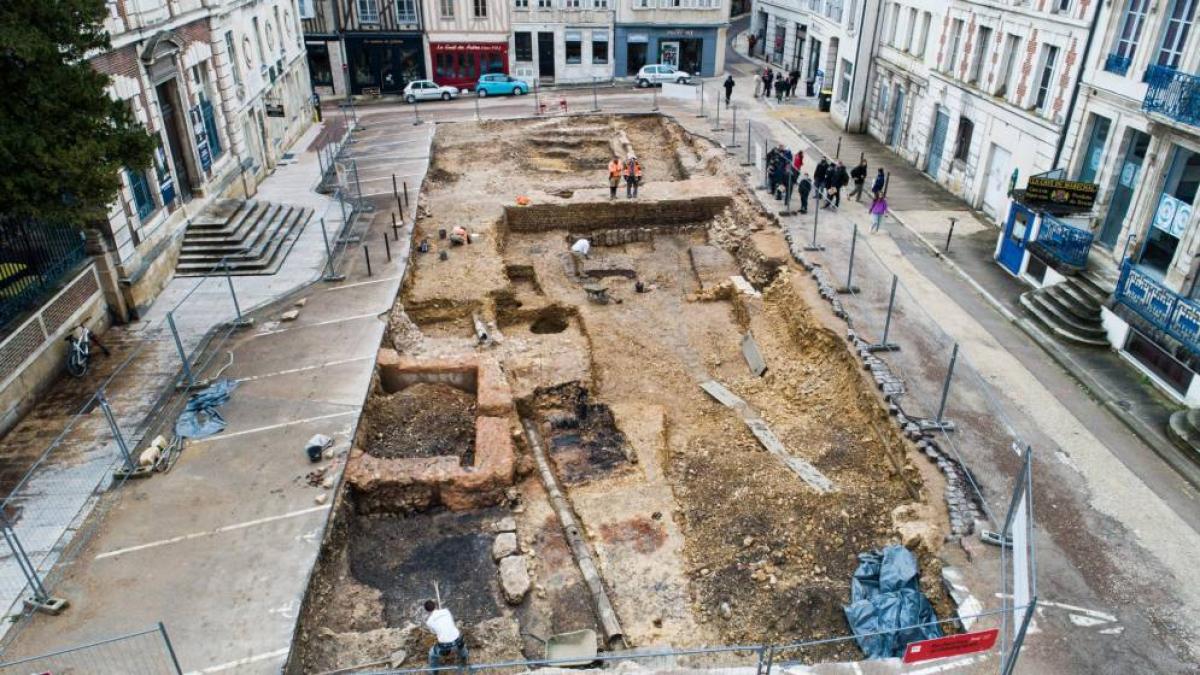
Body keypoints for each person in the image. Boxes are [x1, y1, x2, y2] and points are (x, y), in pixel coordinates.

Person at [425, 600, 468, 669]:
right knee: (463, 650)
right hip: (458, 641)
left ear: (427, 611)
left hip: (445, 646)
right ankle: (464, 662)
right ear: (435, 606)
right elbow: (451, 622)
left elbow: (434, 632)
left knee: (432, 654)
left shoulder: (429, 622)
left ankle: (434, 671)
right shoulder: (446, 611)